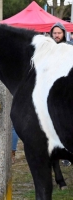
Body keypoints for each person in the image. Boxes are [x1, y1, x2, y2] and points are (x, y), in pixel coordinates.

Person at [50, 22, 72, 167]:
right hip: (53, 91)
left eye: (59, 33)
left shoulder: (70, 48)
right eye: (55, 33)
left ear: (64, 33)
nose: (57, 35)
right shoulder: (48, 49)